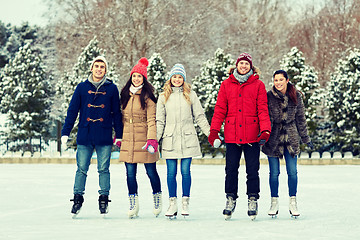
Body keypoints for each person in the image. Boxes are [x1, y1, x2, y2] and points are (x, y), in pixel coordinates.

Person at [208, 52, 271, 220]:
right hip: (232, 135)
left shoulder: (258, 85)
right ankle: (230, 198)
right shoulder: (226, 85)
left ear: (251, 66)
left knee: (252, 170)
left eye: (247, 64)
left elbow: (263, 109)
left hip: (252, 135)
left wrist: (265, 130)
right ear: (236, 65)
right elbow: (220, 109)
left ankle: (252, 198)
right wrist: (214, 131)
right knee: (230, 170)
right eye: (241, 63)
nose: (244, 66)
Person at [61, 56, 123, 216]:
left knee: (104, 169)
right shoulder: (82, 87)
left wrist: (119, 135)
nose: (99, 69)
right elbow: (72, 111)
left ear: (105, 70)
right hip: (85, 133)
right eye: (96, 66)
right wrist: (65, 133)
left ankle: (103, 199)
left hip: (104, 134)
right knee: (81, 169)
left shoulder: (112, 88)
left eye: (102, 67)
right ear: (91, 68)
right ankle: (77, 199)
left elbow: (117, 113)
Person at [156, 64, 210, 218]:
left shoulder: (191, 95)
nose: (177, 79)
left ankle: (185, 201)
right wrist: (155, 140)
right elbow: (160, 121)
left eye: (180, 77)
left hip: (188, 138)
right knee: (171, 173)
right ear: (170, 78)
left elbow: (199, 116)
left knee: (185, 171)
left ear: (184, 79)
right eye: (175, 76)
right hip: (170, 139)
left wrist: (210, 133)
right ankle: (172, 203)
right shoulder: (163, 97)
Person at [262, 70, 312, 218]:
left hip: (291, 137)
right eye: (275, 80)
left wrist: (306, 138)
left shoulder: (295, 95)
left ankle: (293, 201)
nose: (278, 83)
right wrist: (264, 135)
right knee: (274, 174)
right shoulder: (268, 96)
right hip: (273, 137)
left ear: (287, 80)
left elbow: (301, 118)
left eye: (281, 80)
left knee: (292, 172)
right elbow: (265, 117)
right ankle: (274, 201)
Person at [119, 57, 162, 218]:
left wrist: (152, 140)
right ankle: (133, 204)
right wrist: (118, 136)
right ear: (131, 77)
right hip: (128, 138)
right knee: (130, 174)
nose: (136, 78)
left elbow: (152, 120)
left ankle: (157, 198)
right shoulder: (124, 94)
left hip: (144, 138)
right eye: (134, 75)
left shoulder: (148, 97)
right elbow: (120, 117)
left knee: (151, 171)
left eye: (139, 76)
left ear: (144, 78)